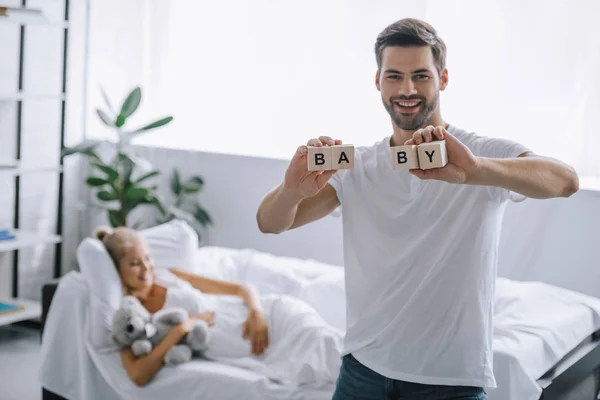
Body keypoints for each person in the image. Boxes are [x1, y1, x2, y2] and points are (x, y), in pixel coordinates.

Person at [256, 17, 579, 400]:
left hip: (451, 382)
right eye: (394, 76)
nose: (407, 90)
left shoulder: (478, 154)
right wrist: (292, 189)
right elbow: (270, 223)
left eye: (420, 76)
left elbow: (566, 181)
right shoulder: (360, 166)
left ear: (442, 79)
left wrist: (475, 171)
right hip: (363, 371)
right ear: (377, 81)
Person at [95, 226, 342, 388]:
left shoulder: (169, 277)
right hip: (260, 352)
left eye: (147, 258)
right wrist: (180, 330)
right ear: (118, 269)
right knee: (331, 373)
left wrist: (257, 313)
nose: (146, 267)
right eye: (135, 263)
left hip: (273, 317)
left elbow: (241, 289)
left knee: (332, 347)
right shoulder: (131, 316)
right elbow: (138, 375)